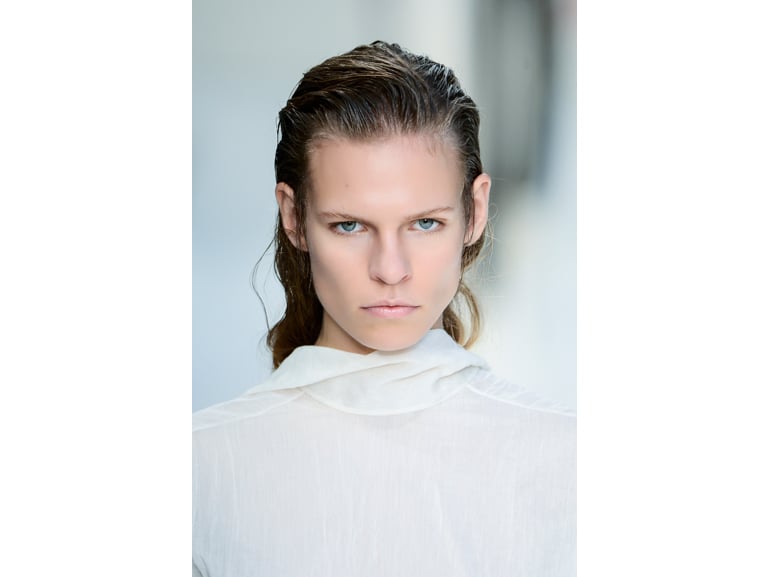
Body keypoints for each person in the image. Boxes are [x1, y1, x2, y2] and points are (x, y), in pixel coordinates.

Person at [192, 41, 575, 577]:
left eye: (425, 223)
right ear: (294, 217)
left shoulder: (567, 461)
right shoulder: (201, 469)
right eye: (349, 225)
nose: (391, 270)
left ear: (475, 210)